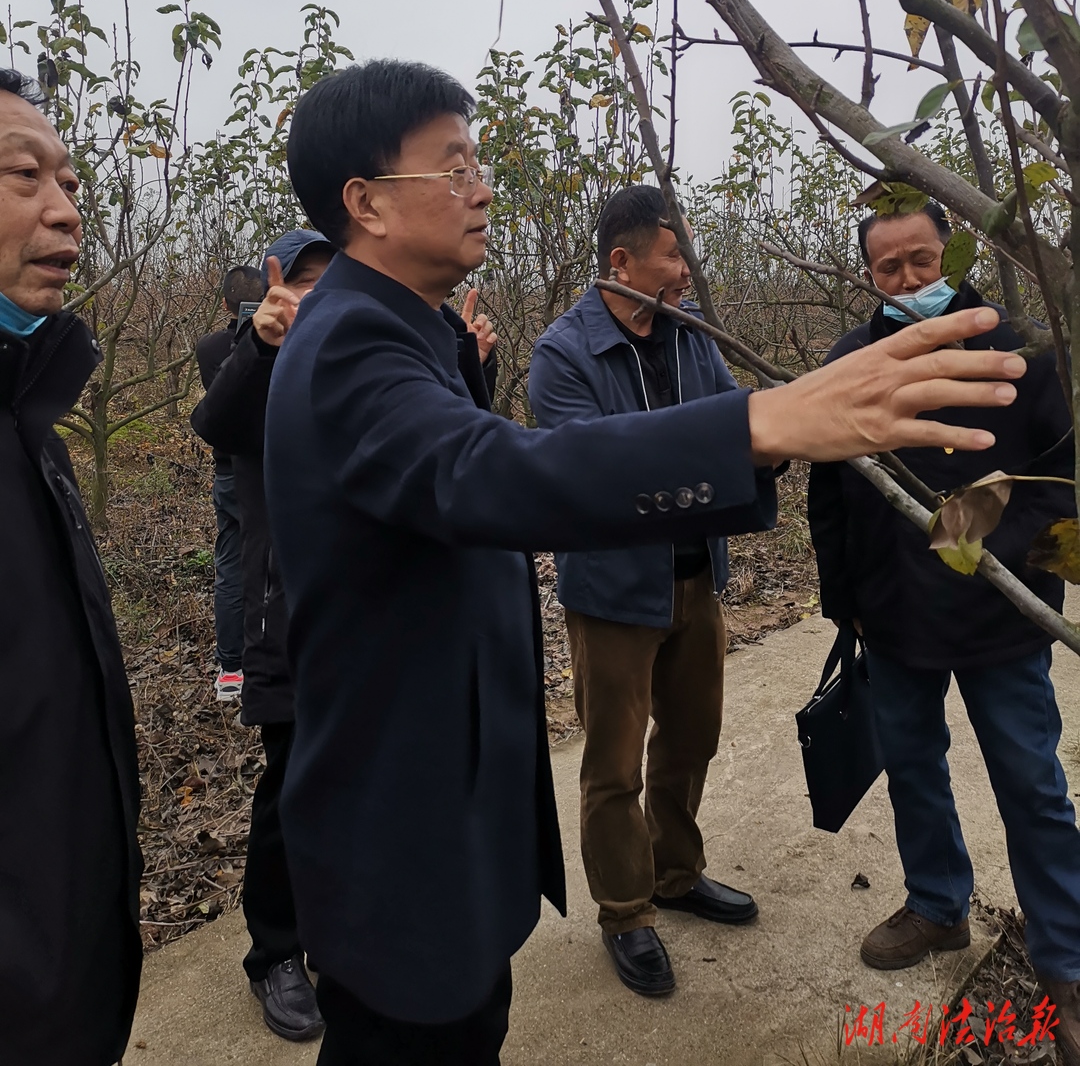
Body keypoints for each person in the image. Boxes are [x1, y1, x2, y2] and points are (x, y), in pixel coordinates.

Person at [262, 59, 1026, 1066]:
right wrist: (759, 421)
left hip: (452, 803)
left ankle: (670, 873)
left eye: (479, 161)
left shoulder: (416, 331)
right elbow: (493, 472)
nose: (484, 187)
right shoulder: (352, 338)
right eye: (452, 166)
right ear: (365, 202)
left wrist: (769, 431)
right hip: (401, 832)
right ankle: (627, 904)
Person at [807, 201, 1080, 1066]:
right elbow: (829, 492)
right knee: (914, 768)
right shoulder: (851, 363)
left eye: (923, 261)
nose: (910, 282)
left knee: (1032, 783)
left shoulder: (1022, 349)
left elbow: (1061, 474)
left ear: (952, 253)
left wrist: (1005, 554)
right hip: (893, 615)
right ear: (868, 277)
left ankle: (1066, 958)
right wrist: (840, 598)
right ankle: (937, 904)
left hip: (1001, 616)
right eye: (890, 270)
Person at [528, 185, 756, 998]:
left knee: (693, 735)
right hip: (614, 592)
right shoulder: (563, 354)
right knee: (613, 764)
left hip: (697, 579)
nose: (687, 273)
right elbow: (589, 473)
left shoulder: (691, 338)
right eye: (674, 257)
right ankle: (626, 912)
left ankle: (677, 871)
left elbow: (739, 421)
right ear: (621, 262)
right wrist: (711, 458)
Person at [0, 68, 142, 1064]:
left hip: (65, 970)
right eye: (23, 176)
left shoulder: (30, 419)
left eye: (73, 183)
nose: (67, 212)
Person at [191, 230, 334, 1043]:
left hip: (362, 619)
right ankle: (274, 954)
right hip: (286, 617)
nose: (318, 295)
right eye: (302, 281)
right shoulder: (248, 358)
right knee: (287, 792)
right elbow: (219, 423)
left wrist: (469, 360)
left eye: (331, 281)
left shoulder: (359, 357)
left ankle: (334, 926)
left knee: (351, 781)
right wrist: (263, 342)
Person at [195, 263, 264, 702]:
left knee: (231, 566)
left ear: (224, 304)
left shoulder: (209, 346)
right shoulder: (277, 342)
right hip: (262, 472)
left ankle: (232, 668)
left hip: (226, 472)